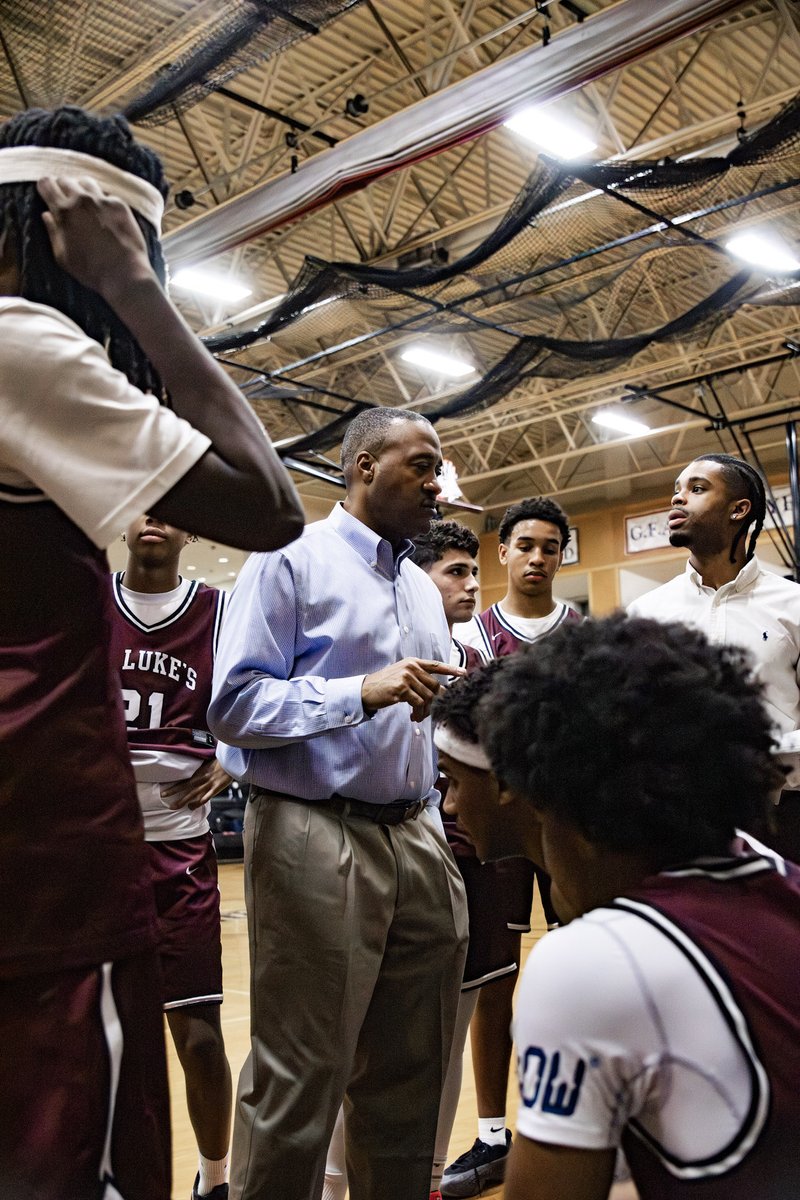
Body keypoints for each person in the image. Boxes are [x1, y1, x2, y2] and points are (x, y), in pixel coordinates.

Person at [0, 105, 302, 1200]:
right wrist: (138, 292)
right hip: (38, 880)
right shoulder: (18, 339)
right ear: (61, 230)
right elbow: (268, 506)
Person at [438, 615, 800, 1200]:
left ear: (528, 782)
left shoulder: (590, 964)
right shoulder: (772, 876)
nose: (450, 806)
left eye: (452, 780)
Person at [208, 407, 470, 1200]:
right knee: (301, 1072)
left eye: (439, 469)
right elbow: (233, 706)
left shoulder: (422, 590)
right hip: (315, 828)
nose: (437, 484)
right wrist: (359, 691)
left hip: (417, 831)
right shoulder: (290, 558)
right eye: (421, 465)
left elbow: (426, 707)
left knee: (411, 1071)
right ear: (362, 467)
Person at [445, 496, 578, 1197]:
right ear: (503, 552)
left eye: (550, 547)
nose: (536, 557)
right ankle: (493, 1134)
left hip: (564, 829)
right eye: (524, 544)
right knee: (492, 981)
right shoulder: (471, 634)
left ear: (563, 555)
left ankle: (586, 1117)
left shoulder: (583, 636)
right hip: (494, 830)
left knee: (584, 970)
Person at [111, 514, 234, 1200]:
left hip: (180, 846)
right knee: (110, 1043)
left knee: (199, 1036)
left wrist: (232, 756)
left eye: (170, 508)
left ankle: (214, 1180)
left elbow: (257, 700)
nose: (153, 519)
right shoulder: (87, 601)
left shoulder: (220, 612)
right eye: (143, 503)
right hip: (100, 849)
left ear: (192, 528)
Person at [628, 453, 800, 859]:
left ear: (739, 510)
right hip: (679, 822)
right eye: (676, 490)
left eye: (697, 489)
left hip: (786, 820)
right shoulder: (645, 612)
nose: (677, 499)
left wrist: (760, 755)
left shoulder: (793, 606)